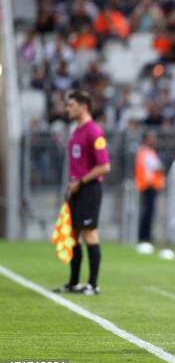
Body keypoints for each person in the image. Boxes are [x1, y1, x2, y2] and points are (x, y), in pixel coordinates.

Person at [54, 90, 111, 295]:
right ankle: (73, 283)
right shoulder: (76, 131)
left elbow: (104, 166)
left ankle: (93, 284)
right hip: (75, 188)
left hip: (89, 189)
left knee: (89, 233)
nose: (67, 108)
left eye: (71, 105)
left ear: (83, 107)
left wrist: (80, 182)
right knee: (73, 234)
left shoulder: (94, 132)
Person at [135, 130, 165, 244]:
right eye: (151, 138)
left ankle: (145, 236)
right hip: (148, 186)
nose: (154, 140)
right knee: (148, 213)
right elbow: (157, 167)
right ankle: (144, 237)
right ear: (146, 140)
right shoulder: (145, 152)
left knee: (148, 213)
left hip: (150, 186)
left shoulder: (148, 152)